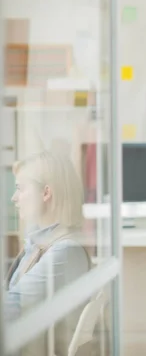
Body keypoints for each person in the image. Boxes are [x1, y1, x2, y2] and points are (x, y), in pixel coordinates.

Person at [4, 151, 91, 355]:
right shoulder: (40, 242)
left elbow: (11, 309)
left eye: (20, 189)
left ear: (46, 193)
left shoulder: (64, 251)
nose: (14, 198)